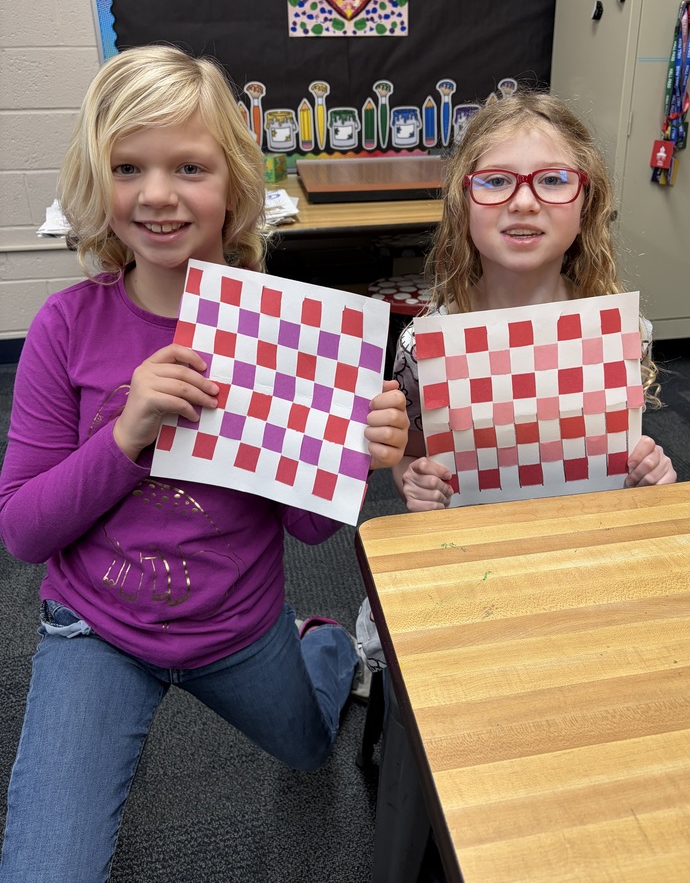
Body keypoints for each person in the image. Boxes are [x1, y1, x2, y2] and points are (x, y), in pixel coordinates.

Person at [0, 44, 409, 883]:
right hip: (96, 630)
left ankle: (322, 646)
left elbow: (307, 525)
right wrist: (125, 435)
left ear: (232, 187)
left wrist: (352, 460)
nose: (156, 195)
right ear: (96, 179)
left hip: (237, 628)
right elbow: (23, 531)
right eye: (128, 167)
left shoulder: (281, 331)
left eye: (189, 166)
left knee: (304, 750)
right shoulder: (67, 327)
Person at [392, 90, 676, 511]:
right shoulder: (424, 346)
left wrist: (649, 471)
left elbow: (618, 455)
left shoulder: (622, 332)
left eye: (553, 180)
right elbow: (413, 453)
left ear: (586, 205)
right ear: (463, 204)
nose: (523, 202)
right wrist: (413, 482)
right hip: (477, 553)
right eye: (496, 181)